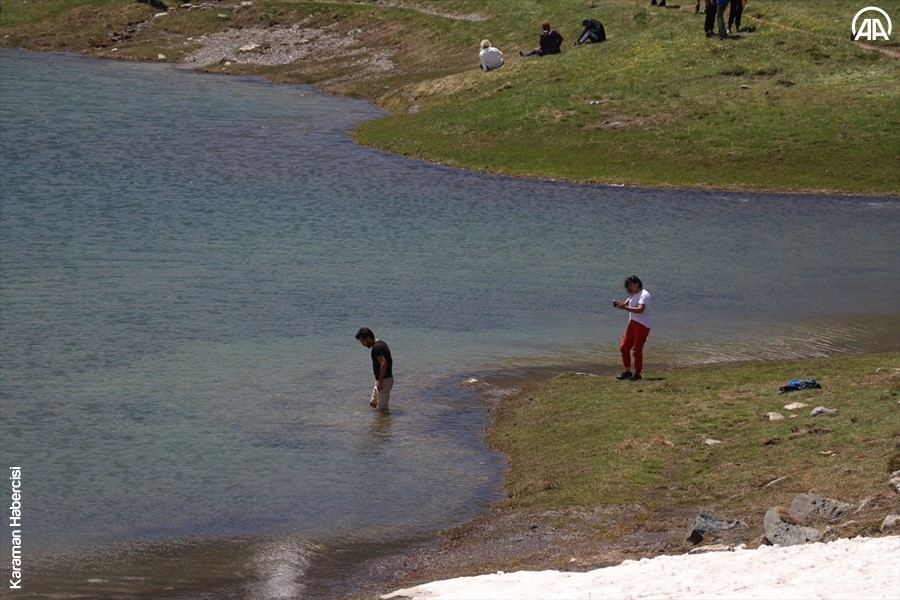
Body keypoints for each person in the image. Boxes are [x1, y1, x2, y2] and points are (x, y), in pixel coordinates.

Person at [613, 275, 651, 382]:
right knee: (624, 347)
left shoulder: (644, 295)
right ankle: (627, 371)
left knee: (637, 350)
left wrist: (625, 307)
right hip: (632, 324)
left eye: (631, 285)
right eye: (628, 286)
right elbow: (624, 305)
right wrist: (619, 305)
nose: (630, 288)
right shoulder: (633, 295)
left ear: (637, 283)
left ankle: (637, 373)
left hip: (642, 325)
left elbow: (640, 310)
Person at [355, 327, 393, 414]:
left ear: (368, 338)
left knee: (381, 411)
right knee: (373, 403)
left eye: (362, 341)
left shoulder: (377, 348)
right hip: (381, 379)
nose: (363, 344)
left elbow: (384, 364)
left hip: (384, 380)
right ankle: (379, 425)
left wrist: (380, 381)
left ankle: (384, 425)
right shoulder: (381, 343)